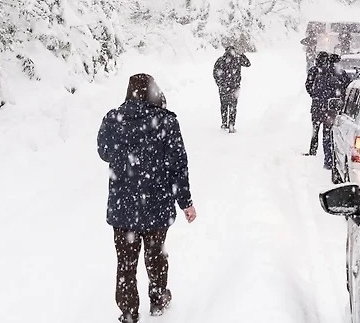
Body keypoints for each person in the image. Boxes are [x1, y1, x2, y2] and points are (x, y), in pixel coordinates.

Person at [97, 74, 197, 322]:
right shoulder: (166, 121)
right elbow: (178, 165)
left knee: (126, 263)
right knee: (156, 256)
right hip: (157, 203)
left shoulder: (113, 119)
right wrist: (185, 202)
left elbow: (104, 152)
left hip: (123, 206)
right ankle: (158, 298)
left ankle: (129, 311)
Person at [305, 52, 351, 168]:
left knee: (322, 132)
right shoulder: (331, 72)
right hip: (326, 107)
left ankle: (322, 156)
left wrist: (316, 96)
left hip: (324, 107)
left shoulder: (321, 71)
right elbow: (346, 83)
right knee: (324, 133)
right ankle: (324, 158)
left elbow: (308, 85)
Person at [213, 44, 251, 132]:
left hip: (223, 88)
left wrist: (220, 84)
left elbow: (215, 73)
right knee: (233, 107)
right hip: (235, 87)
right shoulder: (237, 59)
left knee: (224, 106)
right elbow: (248, 64)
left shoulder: (220, 60)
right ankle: (231, 125)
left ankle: (224, 123)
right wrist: (241, 54)